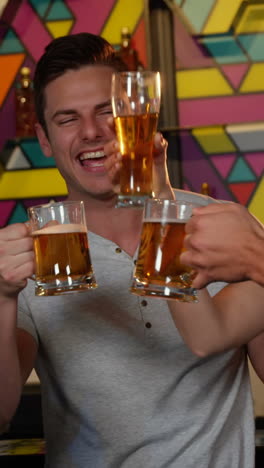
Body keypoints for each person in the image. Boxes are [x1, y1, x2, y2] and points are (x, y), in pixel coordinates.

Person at [1, 32, 264, 468]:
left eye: (107, 111)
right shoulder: (31, 252)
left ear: (138, 114)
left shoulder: (220, 226)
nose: (91, 132)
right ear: (44, 140)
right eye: (68, 119)